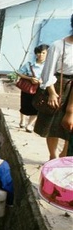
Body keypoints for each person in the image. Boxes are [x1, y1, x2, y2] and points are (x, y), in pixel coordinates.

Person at [34, 14, 73, 160]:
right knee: (53, 124)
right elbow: (47, 72)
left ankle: (65, 155)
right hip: (58, 86)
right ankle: (53, 156)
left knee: (70, 125)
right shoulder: (58, 45)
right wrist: (51, 92)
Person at [17, 44, 48, 132]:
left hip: (41, 88)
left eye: (43, 53)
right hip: (28, 87)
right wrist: (30, 78)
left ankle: (29, 125)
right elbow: (19, 73)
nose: (41, 55)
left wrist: (42, 81)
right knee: (24, 104)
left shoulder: (48, 66)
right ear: (35, 54)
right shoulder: (29, 64)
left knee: (37, 106)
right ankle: (22, 120)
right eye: (38, 53)